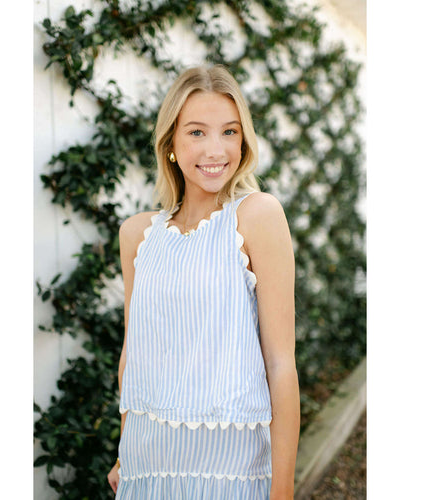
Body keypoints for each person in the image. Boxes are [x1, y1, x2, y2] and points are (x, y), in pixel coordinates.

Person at [107, 64, 300, 499]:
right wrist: (122, 453)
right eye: (197, 132)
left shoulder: (258, 215)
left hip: (232, 469)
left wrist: (283, 490)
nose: (216, 149)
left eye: (230, 131)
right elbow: (133, 355)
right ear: (171, 143)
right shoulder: (137, 234)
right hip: (147, 462)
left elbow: (280, 363)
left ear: (243, 141)